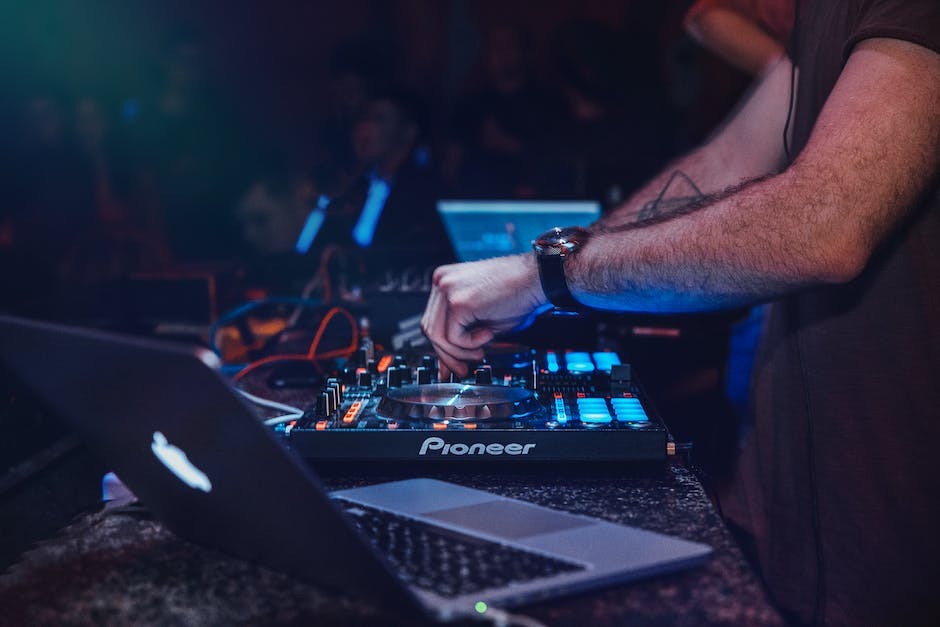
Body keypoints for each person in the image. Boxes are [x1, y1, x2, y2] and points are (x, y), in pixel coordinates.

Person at [422, 3, 940, 624]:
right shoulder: (821, 17)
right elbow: (719, 167)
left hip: (899, 525)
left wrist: (545, 278)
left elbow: (825, 222)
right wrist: (550, 270)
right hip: (796, 505)